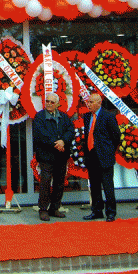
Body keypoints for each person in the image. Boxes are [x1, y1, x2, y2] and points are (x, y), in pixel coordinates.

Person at [32, 92, 74, 221]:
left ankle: (54, 208)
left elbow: (70, 130)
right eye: (47, 101)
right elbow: (41, 134)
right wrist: (56, 143)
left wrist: (63, 142)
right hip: (46, 156)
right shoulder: (39, 117)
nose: (49, 104)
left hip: (61, 156)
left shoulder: (64, 116)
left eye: (51, 102)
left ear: (57, 104)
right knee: (45, 183)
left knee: (59, 183)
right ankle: (43, 209)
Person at [82, 93, 120, 222]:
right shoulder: (87, 117)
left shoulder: (108, 116)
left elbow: (116, 136)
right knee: (94, 186)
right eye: (88, 102)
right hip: (91, 156)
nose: (89, 104)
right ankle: (97, 211)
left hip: (105, 156)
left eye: (91, 102)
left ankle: (111, 212)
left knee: (108, 186)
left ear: (99, 103)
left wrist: (108, 150)